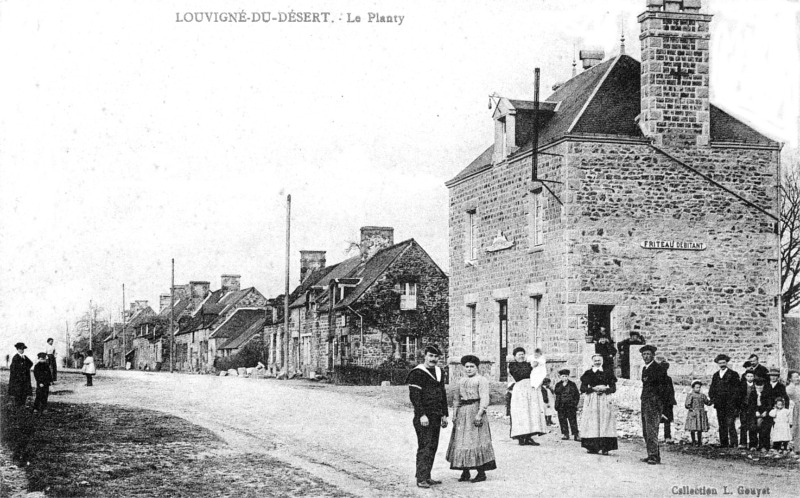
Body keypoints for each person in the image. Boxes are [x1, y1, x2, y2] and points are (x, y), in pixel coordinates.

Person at [446, 355, 496, 483]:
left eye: (471, 367)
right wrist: (455, 414)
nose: (469, 369)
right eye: (466, 367)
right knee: (462, 441)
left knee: (476, 440)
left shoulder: (481, 380)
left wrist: (480, 414)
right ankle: (465, 471)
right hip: (463, 413)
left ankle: (481, 472)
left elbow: (485, 398)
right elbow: (456, 399)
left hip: (475, 410)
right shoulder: (461, 381)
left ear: (477, 367)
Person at [406, 345, 448, 489]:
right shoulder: (417, 373)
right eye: (430, 356)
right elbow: (415, 397)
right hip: (423, 416)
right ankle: (421, 478)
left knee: (433, 446)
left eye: (436, 357)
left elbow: (442, 394)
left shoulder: (439, 372)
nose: (433, 359)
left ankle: (427, 476)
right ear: (425, 356)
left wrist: (444, 414)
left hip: (436, 415)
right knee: (425, 445)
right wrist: (421, 415)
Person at [579, 354, 618, 455]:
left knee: (605, 421)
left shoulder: (608, 372)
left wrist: (605, 389)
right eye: (595, 360)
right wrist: (593, 389)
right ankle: (592, 447)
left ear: (602, 361)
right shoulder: (588, 373)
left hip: (605, 399)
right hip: (592, 399)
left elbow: (613, 388)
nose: (597, 362)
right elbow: (582, 388)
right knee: (593, 421)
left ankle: (606, 447)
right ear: (592, 362)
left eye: (599, 360)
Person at [508, 347, 546, 446]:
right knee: (521, 412)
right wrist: (531, 367)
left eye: (522, 354)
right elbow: (519, 374)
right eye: (519, 354)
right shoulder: (512, 365)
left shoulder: (529, 363)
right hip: (520, 389)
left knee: (531, 411)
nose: (521, 356)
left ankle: (529, 437)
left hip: (531, 388)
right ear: (515, 357)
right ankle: (521, 437)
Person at [640, 345, 669, 464]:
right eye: (644, 354)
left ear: (653, 355)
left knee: (652, 429)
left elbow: (663, 388)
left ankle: (653, 456)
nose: (646, 356)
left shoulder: (658, 369)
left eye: (648, 354)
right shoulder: (645, 369)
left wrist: (660, 405)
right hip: (645, 401)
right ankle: (653, 454)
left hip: (654, 402)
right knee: (646, 430)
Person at [708, 353, 740, 448]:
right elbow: (712, 389)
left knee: (730, 423)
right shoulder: (716, 375)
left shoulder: (733, 374)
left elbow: (737, 390)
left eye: (724, 362)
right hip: (719, 404)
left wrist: (734, 403)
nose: (722, 364)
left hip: (730, 404)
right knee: (721, 423)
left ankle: (733, 443)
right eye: (720, 363)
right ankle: (724, 443)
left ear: (727, 363)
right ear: (717, 364)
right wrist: (713, 399)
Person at [553, 368, 580, 441]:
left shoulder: (572, 384)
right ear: (560, 377)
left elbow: (577, 394)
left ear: (568, 376)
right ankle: (565, 434)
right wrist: (562, 386)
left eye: (566, 376)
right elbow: (556, 392)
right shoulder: (558, 384)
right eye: (563, 376)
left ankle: (576, 434)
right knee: (562, 420)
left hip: (570, 405)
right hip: (561, 405)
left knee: (573, 420)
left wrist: (575, 403)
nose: (564, 378)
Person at [684, 380, 711, 446]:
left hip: (701, 413)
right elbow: (687, 404)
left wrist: (713, 400)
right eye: (696, 387)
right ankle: (693, 441)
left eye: (699, 387)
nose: (698, 389)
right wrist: (691, 409)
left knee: (700, 428)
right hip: (693, 413)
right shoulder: (691, 395)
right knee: (693, 428)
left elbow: (707, 402)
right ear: (693, 388)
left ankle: (699, 442)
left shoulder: (702, 395)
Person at [8, 342, 33, 407]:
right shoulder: (16, 357)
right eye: (21, 349)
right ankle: (18, 404)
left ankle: (23, 404)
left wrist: (26, 369)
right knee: (18, 391)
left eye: (23, 349)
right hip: (18, 378)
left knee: (24, 390)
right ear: (18, 349)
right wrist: (20, 372)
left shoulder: (24, 357)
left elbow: (31, 363)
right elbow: (13, 368)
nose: (22, 350)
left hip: (25, 377)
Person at [658, 360, 677, 444]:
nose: (664, 370)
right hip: (659, 402)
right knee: (656, 420)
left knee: (667, 420)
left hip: (668, 402)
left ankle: (667, 436)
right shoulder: (657, 379)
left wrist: (672, 400)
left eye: (665, 369)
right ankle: (654, 437)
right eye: (662, 368)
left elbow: (671, 390)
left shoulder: (669, 379)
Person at [738, 370, 758, 449]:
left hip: (753, 408)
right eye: (748, 376)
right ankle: (743, 443)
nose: (750, 378)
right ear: (745, 377)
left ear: (754, 377)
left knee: (752, 426)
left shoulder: (756, 385)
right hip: (744, 408)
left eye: (751, 376)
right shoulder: (741, 385)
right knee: (743, 425)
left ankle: (753, 444)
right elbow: (738, 397)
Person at [753, 380, 772, 451]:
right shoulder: (753, 393)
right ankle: (753, 445)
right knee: (753, 428)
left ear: (763, 386)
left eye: (761, 388)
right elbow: (751, 404)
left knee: (764, 429)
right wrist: (756, 411)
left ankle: (764, 446)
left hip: (764, 413)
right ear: (755, 386)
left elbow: (769, 404)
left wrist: (766, 411)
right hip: (755, 413)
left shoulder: (766, 394)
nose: (759, 389)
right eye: (758, 388)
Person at [787, 370, 800, 454]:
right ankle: (794, 447)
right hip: (794, 409)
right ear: (790, 379)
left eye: (798, 376)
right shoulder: (789, 388)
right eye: (795, 377)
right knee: (795, 427)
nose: (798, 378)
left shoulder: (798, 387)